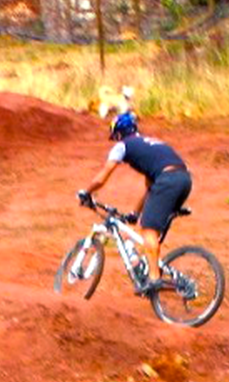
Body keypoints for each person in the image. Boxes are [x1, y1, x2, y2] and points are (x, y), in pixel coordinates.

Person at [77, 90, 193, 282]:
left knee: (148, 230)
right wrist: (135, 212)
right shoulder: (152, 144)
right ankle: (151, 268)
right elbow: (150, 187)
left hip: (168, 181)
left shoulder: (123, 145)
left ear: (118, 133)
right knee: (145, 227)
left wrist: (86, 192)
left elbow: (102, 178)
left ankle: (154, 279)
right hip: (184, 179)